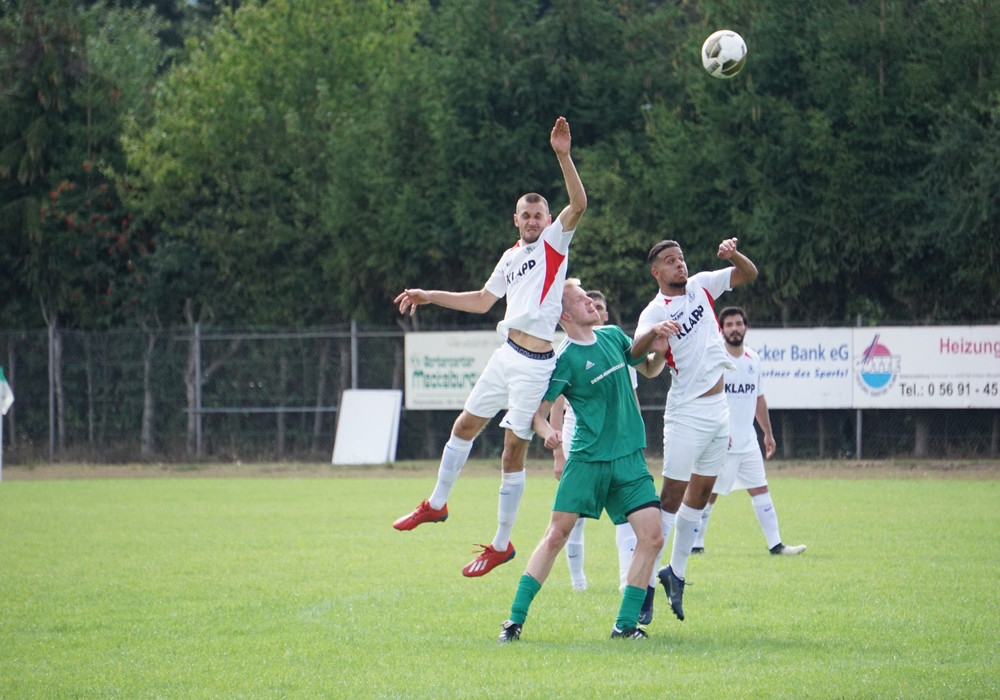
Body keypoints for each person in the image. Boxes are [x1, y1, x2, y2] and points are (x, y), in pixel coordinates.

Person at [392, 116, 587, 578]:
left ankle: (501, 544)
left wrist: (563, 155)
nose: (535, 220)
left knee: (510, 453)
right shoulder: (510, 256)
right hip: (505, 357)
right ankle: (437, 504)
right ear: (516, 219)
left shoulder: (555, 244)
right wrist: (430, 295)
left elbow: (578, 203)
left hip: (536, 364)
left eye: (540, 215)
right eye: (527, 215)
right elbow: (483, 301)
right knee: (463, 425)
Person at [498, 280, 671, 643]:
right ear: (564, 314)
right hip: (588, 461)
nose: (591, 302)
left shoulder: (612, 336)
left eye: (589, 298)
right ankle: (514, 620)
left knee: (652, 537)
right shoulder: (564, 360)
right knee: (556, 535)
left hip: (628, 458)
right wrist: (548, 433)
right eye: (580, 300)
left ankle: (625, 626)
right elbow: (538, 413)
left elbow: (649, 369)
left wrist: (660, 351)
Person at [630, 237, 758, 622]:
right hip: (685, 411)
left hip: (719, 408)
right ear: (657, 273)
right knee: (671, 497)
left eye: (681, 258)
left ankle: (676, 573)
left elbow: (749, 274)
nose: (679, 265)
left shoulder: (703, 284)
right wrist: (654, 336)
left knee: (700, 496)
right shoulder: (654, 310)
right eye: (670, 262)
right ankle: (648, 585)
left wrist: (732, 255)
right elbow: (635, 354)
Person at [553, 290, 653, 619]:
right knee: (573, 518)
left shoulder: (617, 343)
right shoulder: (569, 355)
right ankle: (578, 580)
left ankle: (628, 582)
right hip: (578, 433)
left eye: (599, 306)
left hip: (619, 441)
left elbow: (631, 397)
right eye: (588, 303)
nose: (595, 308)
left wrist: (633, 436)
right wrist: (558, 454)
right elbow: (554, 403)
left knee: (628, 516)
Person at [690, 306, 806, 556]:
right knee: (708, 493)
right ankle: (694, 545)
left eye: (738, 324)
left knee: (761, 489)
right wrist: (717, 429)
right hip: (720, 441)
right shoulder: (715, 358)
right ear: (722, 330)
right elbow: (704, 397)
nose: (734, 329)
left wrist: (768, 433)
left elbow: (758, 398)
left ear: (746, 327)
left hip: (748, 442)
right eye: (729, 325)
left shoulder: (754, 359)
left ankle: (776, 546)